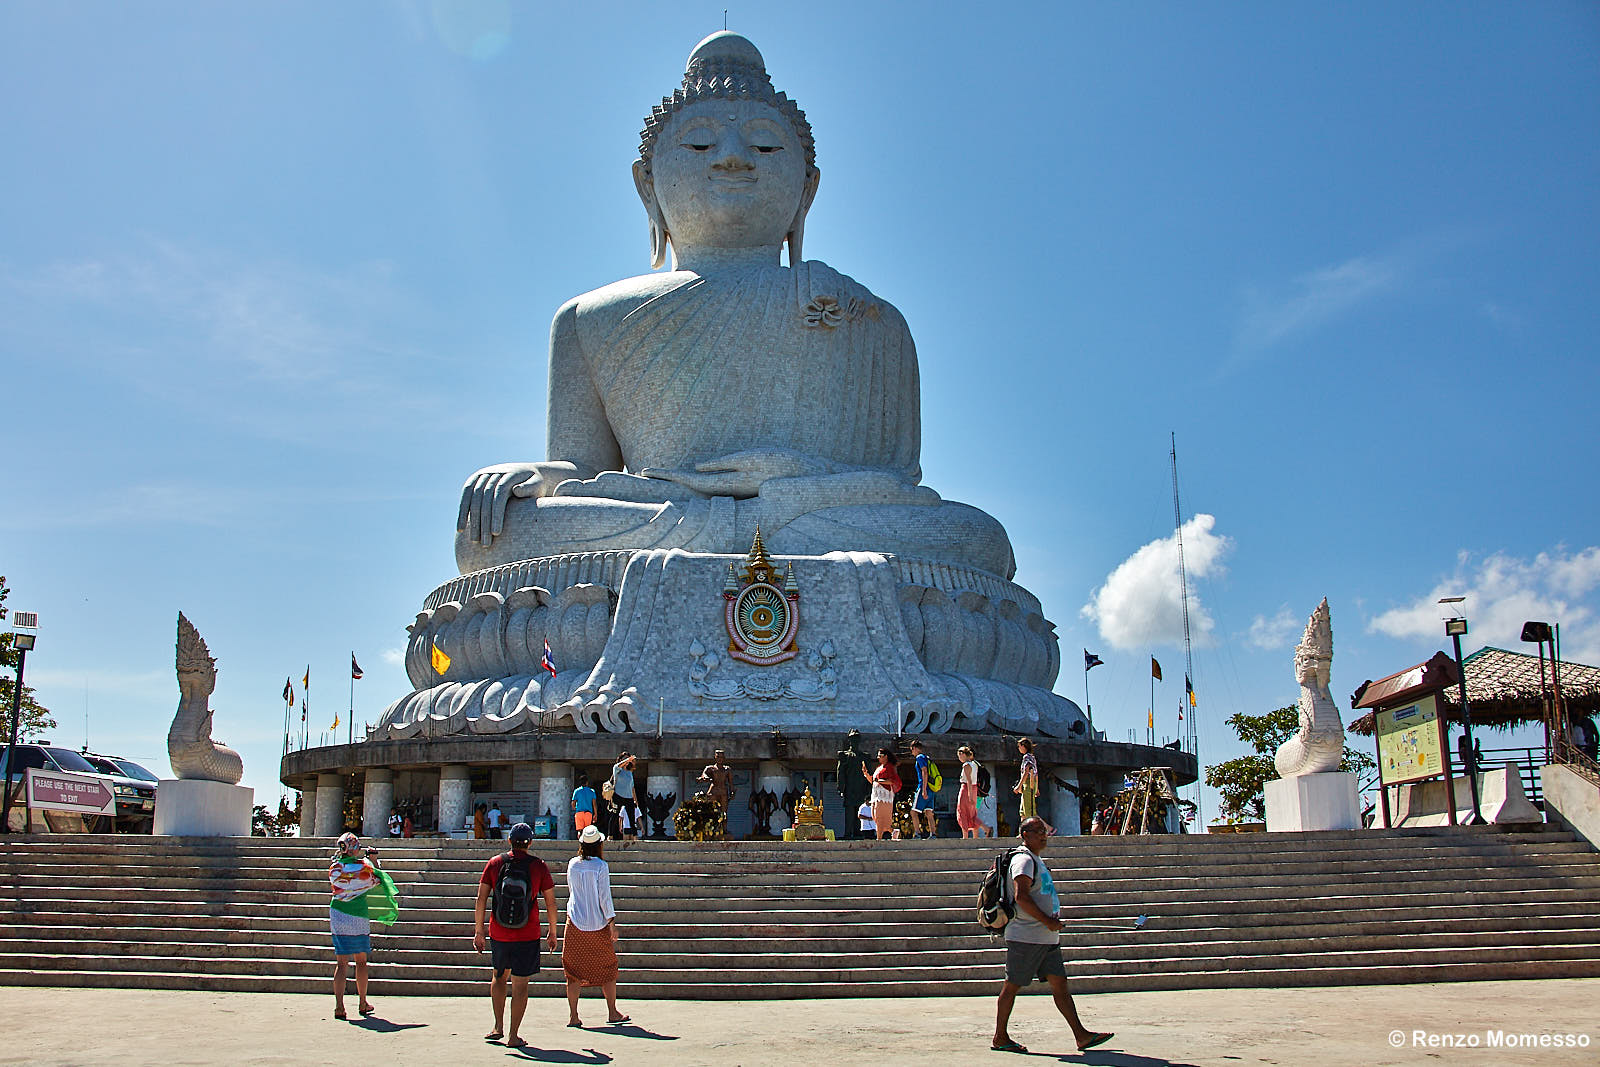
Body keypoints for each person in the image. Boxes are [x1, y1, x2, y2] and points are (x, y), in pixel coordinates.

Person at [991, 817, 1113, 1055]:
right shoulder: (1024, 859)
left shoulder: (1036, 859)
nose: (1044, 835)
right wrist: (1048, 921)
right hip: (1027, 935)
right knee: (1012, 985)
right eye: (1038, 831)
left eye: (1045, 831)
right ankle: (1000, 1036)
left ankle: (1081, 1035)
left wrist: (1049, 924)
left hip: (1044, 936)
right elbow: (1021, 897)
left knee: (1060, 984)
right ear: (1025, 835)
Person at [474, 822, 559, 1048]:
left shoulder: (495, 863)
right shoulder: (538, 866)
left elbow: (481, 898)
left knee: (499, 977)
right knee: (521, 985)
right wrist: (553, 931)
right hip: (528, 933)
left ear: (509, 840)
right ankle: (513, 1035)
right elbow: (550, 902)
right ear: (530, 842)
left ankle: (497, 1026)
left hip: (499, 932)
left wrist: (479, 931)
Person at [562, 824, 630, 1028]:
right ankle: (612, 1011)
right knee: (608, 968)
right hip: (598, 924)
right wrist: (612, 922)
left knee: (572, 972)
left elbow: (571, 890)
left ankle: (574, 1016)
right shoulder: (601, 866)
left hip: (575, 921)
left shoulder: (573, 864)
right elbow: (604, 897)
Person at [328, 832, 399, 1021]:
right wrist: (373, 861)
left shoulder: (335, 867)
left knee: (341, 963)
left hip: (338, 914)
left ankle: (339, 1006)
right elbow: (379, 880)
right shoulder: (364, 868)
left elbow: (340, 882)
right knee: (361, 961)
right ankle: (362, 1002)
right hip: (357, 914)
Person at [835, 730, 870, 839]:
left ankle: (858, 833)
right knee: (849, 812)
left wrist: (869, 789)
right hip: (850, 788)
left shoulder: (864, 756)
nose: (854, 741)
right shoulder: (845, 755)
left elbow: (869, 773)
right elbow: (840, 772)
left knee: (859, 812)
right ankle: (847, 833)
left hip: (861, 788)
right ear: (849, 740)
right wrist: (841, 788)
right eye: (852, 738)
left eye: (856, 738)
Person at [861, 747, 901, 840]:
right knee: (875, 817)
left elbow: (891, 781)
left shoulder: (889, 767)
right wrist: (866, 774)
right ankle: (893, 831)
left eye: (880, 756)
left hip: (884, 796)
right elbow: (873, 781)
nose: (878, 758)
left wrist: (880, 781)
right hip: (875, 795)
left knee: (879, 818)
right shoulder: (879, 768)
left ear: (885, 756)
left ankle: (878, 839)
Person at [909, 739, 937, 838]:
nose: (912, 752)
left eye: (912, 749)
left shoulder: (919, 758)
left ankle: (917, 833)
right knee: (929, 812)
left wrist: (923, 790)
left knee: (914, 812)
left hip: (923, 787)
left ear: (915, 748)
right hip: (931, 788)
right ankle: (933, 834)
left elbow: (924, 772)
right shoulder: (927, 758)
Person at [611, 752, 639, 844]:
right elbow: (617, 766)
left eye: (628, 759)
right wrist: (628, 759)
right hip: (618, 796)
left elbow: (632, 787)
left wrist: (635, 800)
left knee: (632, 817)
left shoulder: (629, 772)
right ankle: (610, 835)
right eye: (625, 759)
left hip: (628, 797)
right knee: (614, 816)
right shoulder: (617, 769)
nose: (627, 761)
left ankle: (635, 836)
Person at [956, 745, 981, 839]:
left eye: (959, 755)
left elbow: (969, 781)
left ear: (963, 754)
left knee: (962, 812)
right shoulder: (974, 764)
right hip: (974, 789)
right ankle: (975, 836)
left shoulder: (966, 765)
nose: (959, 758)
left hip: (966, 789)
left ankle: (965, 836)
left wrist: (969, 795)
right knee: (972, 813)